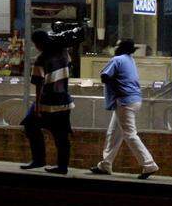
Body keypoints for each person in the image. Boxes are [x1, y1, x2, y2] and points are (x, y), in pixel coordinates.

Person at [90, 39, 159, 179]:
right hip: (134, 100)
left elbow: (104, 76)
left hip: (124, 101)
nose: (114, 47)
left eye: (116, 45)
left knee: (129, 134)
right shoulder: (130, 59)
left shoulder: (117, 59)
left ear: (119, 48)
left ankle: (149, 164)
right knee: (113, 133)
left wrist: (115, 88)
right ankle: (105, 164)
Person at [21, 30, 74, 174]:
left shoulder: (41, 59)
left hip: (47, 103)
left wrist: (37, 106)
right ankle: (62, 167)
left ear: (38, 43)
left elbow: (38, 85)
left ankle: (39, 159)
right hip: (64, 101)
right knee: (61, 136)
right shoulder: (64, 53)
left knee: (30, 125)